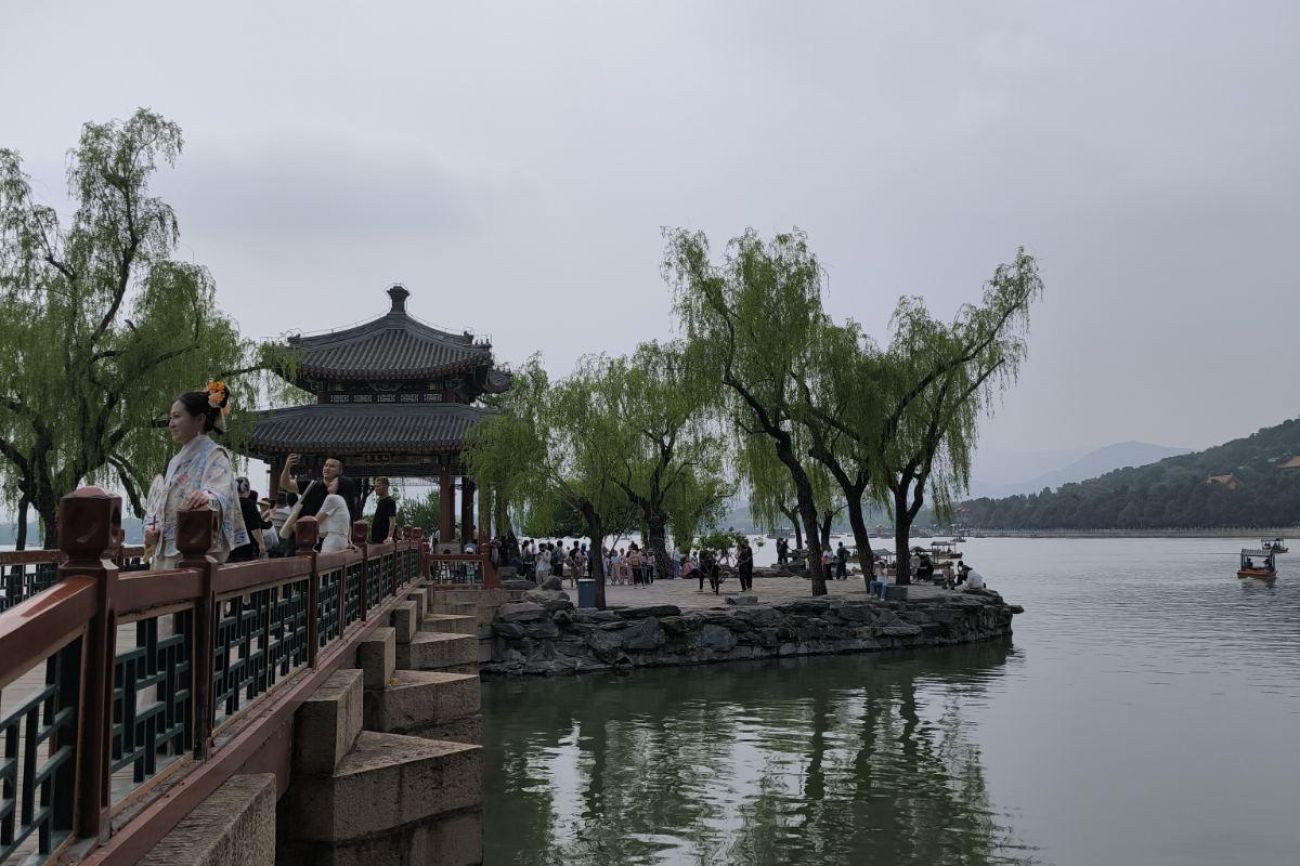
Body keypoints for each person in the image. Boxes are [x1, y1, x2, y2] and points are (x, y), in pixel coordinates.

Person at [144, 384, 249, 570]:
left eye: (177, 416)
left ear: (199, 419)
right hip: (166, 553)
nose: (171, 424)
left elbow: (219, 493)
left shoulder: (215, 455)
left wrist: (207, 496)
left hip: (194, 555)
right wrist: (153, 529)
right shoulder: (174, 461)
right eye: (170, 418)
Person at [279, 453, 359, 523]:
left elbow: (351, 512)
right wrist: (287, 467)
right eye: (326, 465)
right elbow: (285, 485)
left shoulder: (345, 488)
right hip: (309, 531)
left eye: (332, 466)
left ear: (340, 471)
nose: (327, 468)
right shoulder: (312, 485)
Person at [230, 477, 271, 562]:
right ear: (247, 489)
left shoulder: (229, 504)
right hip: (246, 548)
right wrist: (261, 544)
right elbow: (254, 527)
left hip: (230, 546)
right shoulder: (250, 504)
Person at [370, 476, 397, 544]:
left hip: (384, 540)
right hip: (376, 539)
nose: (375, 489)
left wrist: (389, 537)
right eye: (375, 486)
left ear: (385, 487)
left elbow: (392, 521)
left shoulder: (390, 502)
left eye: (378, 486)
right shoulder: (380, 501)